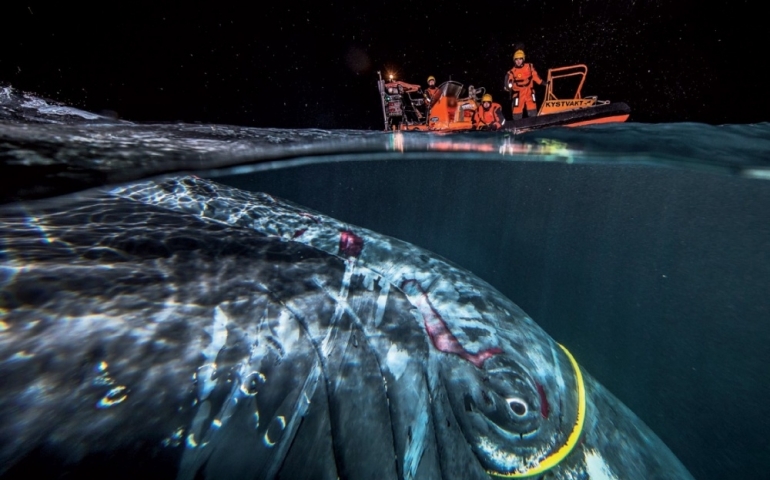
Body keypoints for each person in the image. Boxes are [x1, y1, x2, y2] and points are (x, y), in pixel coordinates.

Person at [504, 49, 545, 120]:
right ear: (514, 60)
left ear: (523, 59)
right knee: (517, 110)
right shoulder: (512, 72)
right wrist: (508, 87)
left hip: (529, 91)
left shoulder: (529, 66)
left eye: (520, 59)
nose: (518, 61)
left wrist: (543, 83)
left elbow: (535, 76)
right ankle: (517, 124)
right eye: (516, 59)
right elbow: (509, 81)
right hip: (519, 93)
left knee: (532, 107)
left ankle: (534, 121)